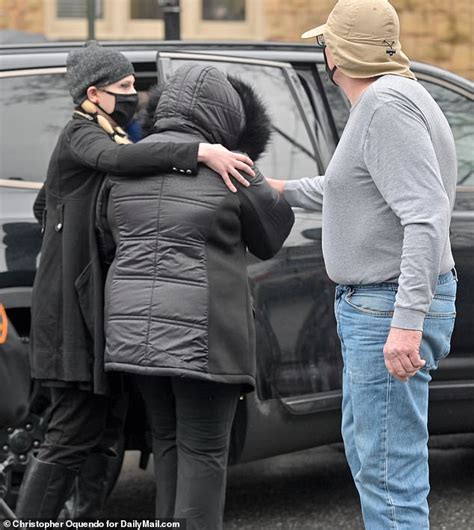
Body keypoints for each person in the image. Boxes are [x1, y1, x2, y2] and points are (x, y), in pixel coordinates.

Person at [16, 41, 256, 520]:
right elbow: (118, 165)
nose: (136, 96)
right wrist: (201, 150)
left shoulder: (110, 133)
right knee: (71, 429)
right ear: (93, 92)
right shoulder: (81, 134)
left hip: (95, 301)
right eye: (124, 87)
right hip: (69, 304)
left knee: (100, 426)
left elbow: (48, 203)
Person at [268, 1, 457, 528]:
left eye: (324, 42)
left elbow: (424, 216)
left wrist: (406, 323)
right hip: (381, 304)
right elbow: (349, 190)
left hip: (385, 306)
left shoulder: (384, 106)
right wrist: (275, 187)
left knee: (388, 474)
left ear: (335, 52)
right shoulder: (400, 96)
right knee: (376, 457)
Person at [96, 63, 294, 529]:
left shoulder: (130, 163)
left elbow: (108, 238)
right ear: (226, 115)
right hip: (204, 338)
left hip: (133, 335)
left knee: (166, 441)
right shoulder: (229, 168)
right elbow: (273, 234)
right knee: (205, 452)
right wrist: (248, 168)